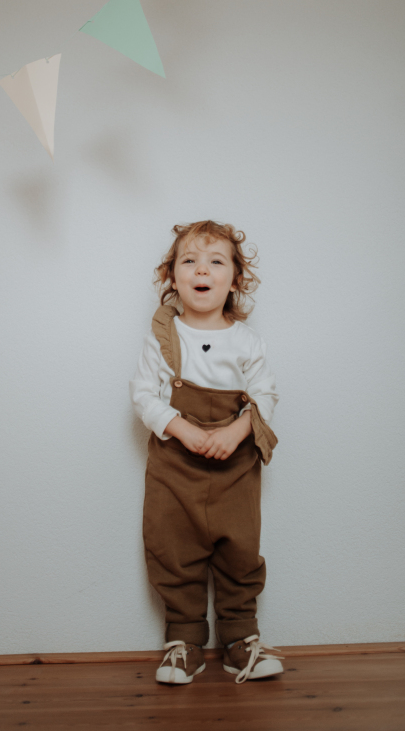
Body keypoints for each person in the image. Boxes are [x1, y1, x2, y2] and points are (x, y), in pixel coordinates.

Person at [130, 220, 283, 685]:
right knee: (172, 547)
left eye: (216, 261)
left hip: (234, 468)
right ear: (172, 277)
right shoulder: (164, 337)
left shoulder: (247, 341)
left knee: (240, 549)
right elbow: (143, 394)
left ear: (234, 279)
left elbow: (266, 395)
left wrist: (238, 432)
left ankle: (241, 640)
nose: (202, 269)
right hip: (175, 466)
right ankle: (183, 642)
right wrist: (180, 428)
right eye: (189, 261)